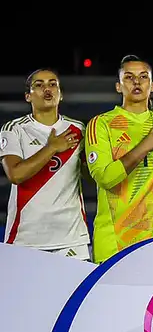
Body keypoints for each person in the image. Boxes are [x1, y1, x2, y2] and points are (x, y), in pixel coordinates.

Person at [85, 56, 153, 263]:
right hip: (117, 244)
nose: (136, 82)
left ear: (152, 86)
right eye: (129, 77)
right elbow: (106, 177)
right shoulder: (101, 124)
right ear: (118, 86)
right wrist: (144, 146)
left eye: (143, 77)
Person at [1, 69, 89, 258]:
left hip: (72, 238)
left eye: (52, 84)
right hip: (26, 238)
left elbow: (92, 173)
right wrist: (52, 148)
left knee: (75, 288)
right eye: (38, 85)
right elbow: (15, 175)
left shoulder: (78, 129)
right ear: (28, 96)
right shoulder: (14, 129)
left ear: (61, 94)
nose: (47, 89)